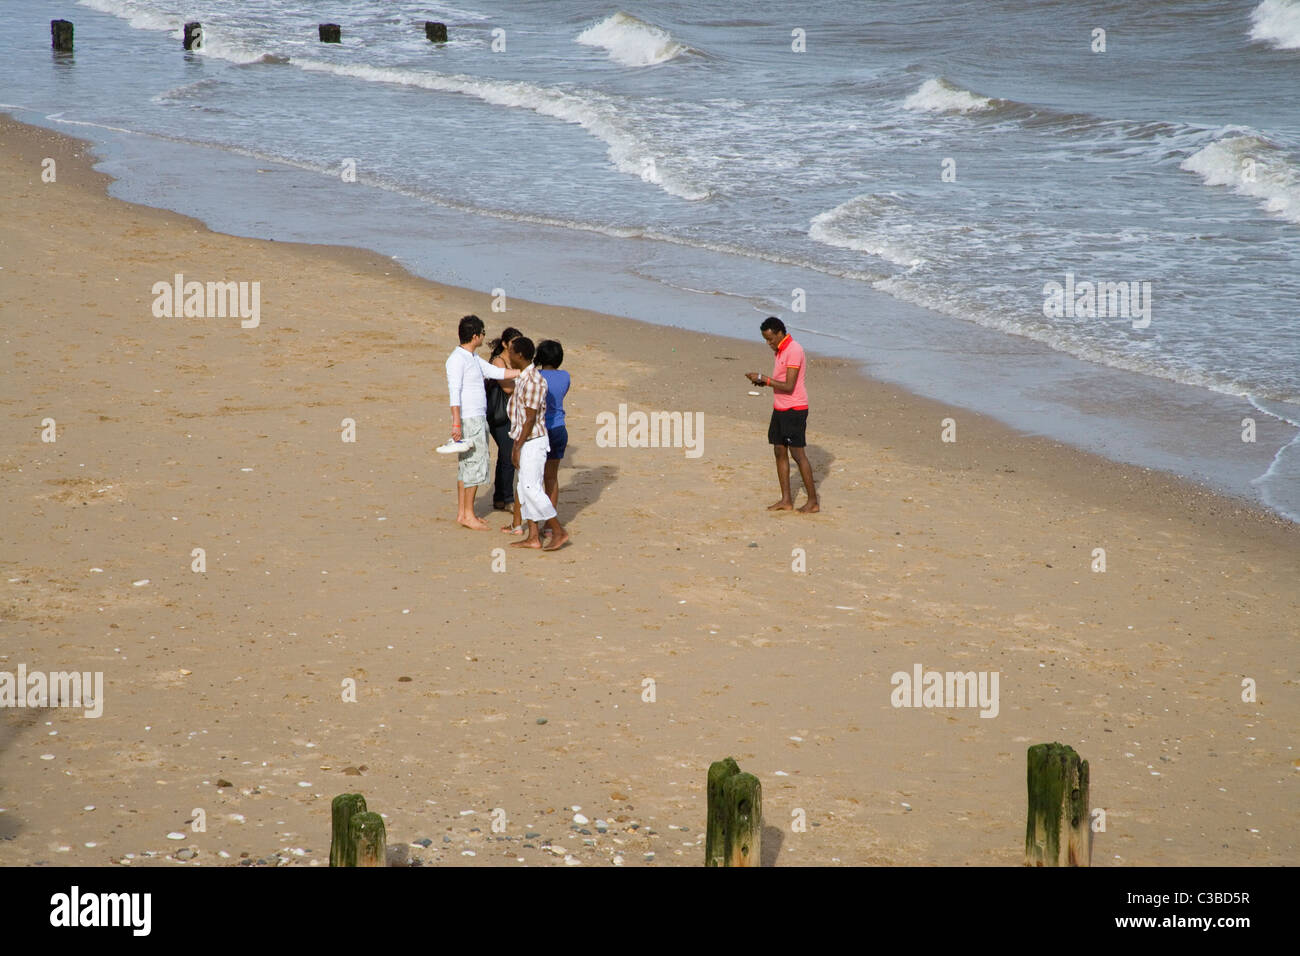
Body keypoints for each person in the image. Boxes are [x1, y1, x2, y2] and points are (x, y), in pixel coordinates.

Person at [445, 315, 518, 530]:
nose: (485, 337)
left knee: (467, 465)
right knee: (474, 465)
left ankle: (464, 513)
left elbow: (496, 372)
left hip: (476, 417)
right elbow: (454, 393)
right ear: (475, 335)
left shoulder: (473, 358)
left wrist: (524, 372)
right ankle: (468, 514)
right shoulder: (457, 359)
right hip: (469, 418)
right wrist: (456, 423)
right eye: (483, 333)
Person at [746, 316, 819, 513]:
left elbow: (788, 385)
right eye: (766, 340)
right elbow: (780, 380)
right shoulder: (780, 350)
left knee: (797, 454)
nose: (769, 344)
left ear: (780, 333)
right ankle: (786, 500)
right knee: (779, 450)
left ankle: (813, 501)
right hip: (779, 408)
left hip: (794, 409)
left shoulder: (794, 350)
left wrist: (764, 379)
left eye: (770, 339)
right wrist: (763, 382)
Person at [507, 336, 570, 551]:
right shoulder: (528, 377)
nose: (509, 356)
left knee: (531, 489)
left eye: (511, 352)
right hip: (533, 437)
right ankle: (534, 536)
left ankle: (558, 530)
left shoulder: (534, 380)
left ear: (520, 355)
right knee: (526, 487)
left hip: (533, 440)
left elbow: (531, 418)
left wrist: (517, 446)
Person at [486, 327, 521, 519]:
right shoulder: (499, 361)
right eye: (514, 342)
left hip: (511, 414)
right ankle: (507, 498)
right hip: (499, 415)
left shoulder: (514, 361)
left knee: (505, 454)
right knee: (508, 455)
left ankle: (499, 497)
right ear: (505, 343)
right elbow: (507, 389)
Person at [535, 340, 570, 519]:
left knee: (533, 479)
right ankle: (550, 522)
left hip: (538, 431)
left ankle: (532, 520)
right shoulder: (565, 376)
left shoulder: (535, 375)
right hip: (558, 428)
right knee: (551, 478)